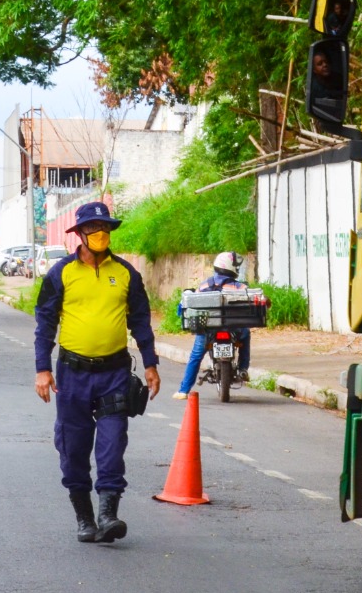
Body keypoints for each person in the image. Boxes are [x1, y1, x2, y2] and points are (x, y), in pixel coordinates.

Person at [33, 200, 161, 544]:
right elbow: (44, 324)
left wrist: (150, 364)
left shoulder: (126, 274)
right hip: (72, 375)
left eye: (104, 228)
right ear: (80, 234)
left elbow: (140, 323)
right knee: (73, 448)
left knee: (112, 443)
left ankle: (108, 514)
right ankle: (84, 517)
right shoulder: (61, 273)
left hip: (115, 374)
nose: (100, 234)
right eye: (92, 228)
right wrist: (42, 369)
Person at [173, 251, 251, 400]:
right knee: (246, 334)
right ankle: (243, 368)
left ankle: (183, 390)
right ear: (231, 268)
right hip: (233, 328)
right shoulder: (240, 287)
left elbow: (191, 302)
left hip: (208, 329)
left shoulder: (203, 286)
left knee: (196, 356)